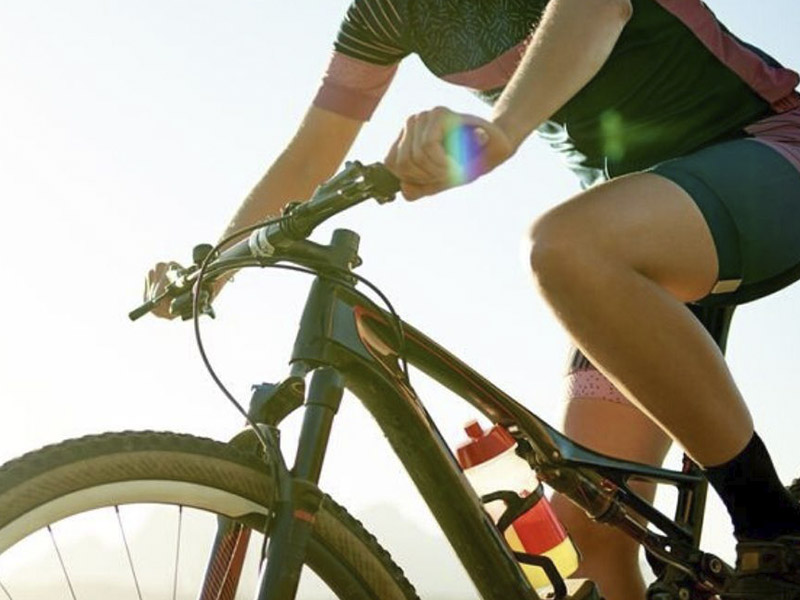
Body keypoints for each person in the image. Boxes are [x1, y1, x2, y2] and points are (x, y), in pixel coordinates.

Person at [146, 0, 800, 597]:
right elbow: (312, 152)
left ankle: (776, 532)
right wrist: (211, 268)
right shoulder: (384, 13)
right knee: (589, 536)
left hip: (768, 147)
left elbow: (598, 7)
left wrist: (501, 130)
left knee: (565, 247)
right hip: (637, 229)